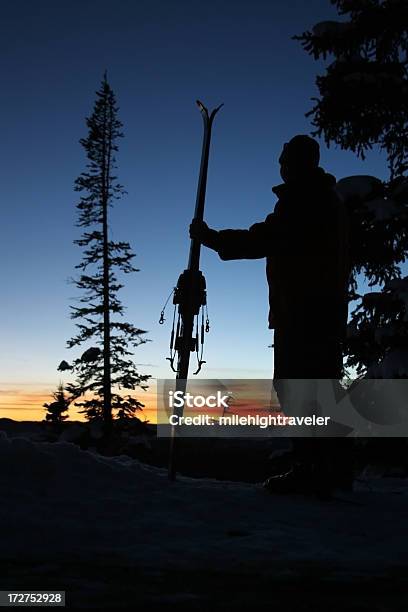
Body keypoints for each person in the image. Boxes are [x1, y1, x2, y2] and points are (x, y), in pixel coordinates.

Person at [190, 135, 352, 498]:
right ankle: (332, 470)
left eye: (286, 161)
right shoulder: (327, 200)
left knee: (299, 389)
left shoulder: (305, 201)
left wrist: (211, 238)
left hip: (304, 312)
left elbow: (264, 239)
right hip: (319, 311)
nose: (281, 166)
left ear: (301, 163)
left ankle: (313, 470)